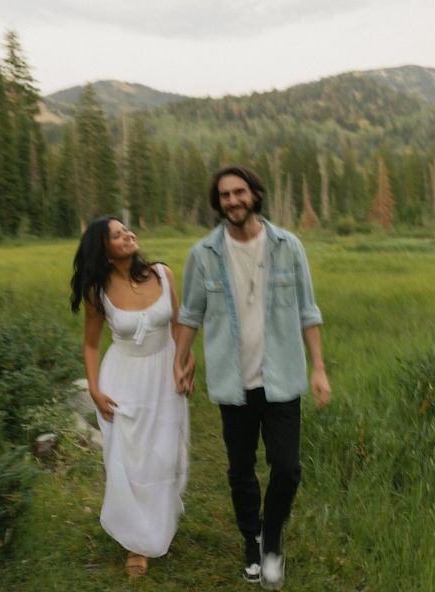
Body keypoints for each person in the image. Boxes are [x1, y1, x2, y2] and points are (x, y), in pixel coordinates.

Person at [174, 166, 330, 590]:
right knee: (241, 469)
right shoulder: (203, 253)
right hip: (233, 382)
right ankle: (252, 540)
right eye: (224, 195)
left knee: (287, 467)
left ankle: (273, 539)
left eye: (239, 192)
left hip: (282, 378)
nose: (232, 200)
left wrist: (318, 368)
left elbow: (307, 311)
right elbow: (189, 314)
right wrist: (180, 359)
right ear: (218, 202)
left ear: (255, 195)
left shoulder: (287, 246)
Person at [70, 215, 192, 577]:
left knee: (161, 455)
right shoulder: (98, 291)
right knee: (130, 458)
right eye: (116, 235)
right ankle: (137, 544)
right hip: (122, 378)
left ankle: (156, 522)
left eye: (126, 230)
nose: (127, 235)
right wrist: (93, 388)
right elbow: (91, 344)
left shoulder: (161, 273)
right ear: (103, 249)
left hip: (163, 374)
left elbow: (178, 324)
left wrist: (185, 363)